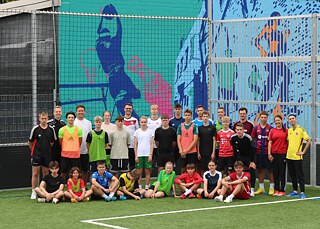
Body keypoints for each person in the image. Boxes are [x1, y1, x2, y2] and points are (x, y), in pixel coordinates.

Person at [96, 4, 140, 118]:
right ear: (109, 36)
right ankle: (132, 115)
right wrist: (117, 16)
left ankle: (131, 113)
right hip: (120, 74)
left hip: (113, 77)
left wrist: (102, 18)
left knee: (121, 98)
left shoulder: (98, 46)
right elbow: (119, 30)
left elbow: (98, 31)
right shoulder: (114, 43)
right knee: (134, 94)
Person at [29, 111, 56, 199]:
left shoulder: (51, 129)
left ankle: (43, 191)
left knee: (46, 174)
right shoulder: (35, 129)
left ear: (47, 119)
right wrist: (35, 152)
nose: (44, 120)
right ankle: (33, 191)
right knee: (35, 173)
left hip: (47, 156)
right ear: (39, 119)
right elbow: (30, 142)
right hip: (36, 155)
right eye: (42, 119)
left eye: (45, 119)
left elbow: (52, 142)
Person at [286, 114, 311, 199]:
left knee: (300, 175)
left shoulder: (301, 130)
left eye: (293, 118)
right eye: (290, 119)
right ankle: (295, 190)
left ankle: (302, 192)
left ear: (296, 119)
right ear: (288, 121)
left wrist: (303, 152)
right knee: (292, 174)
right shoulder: (289, 130)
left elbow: (308, 140)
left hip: (297, 157)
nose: (291, 120)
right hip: (289, 156)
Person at [251, 111, 274, 195]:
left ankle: (271, 187)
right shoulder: (255, 128)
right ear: (259, 118)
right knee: (260, 170)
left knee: (270, 170)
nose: (263, 119)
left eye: (265, 117)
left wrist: (270, 152)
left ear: (267, 118)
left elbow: (272, 141)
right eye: (262, 117)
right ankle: (261, 188)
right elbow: (253, 138)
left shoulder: (271, 128)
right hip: (258, 152)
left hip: (267, 152)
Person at [231, 123, 256, 196]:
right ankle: (236, 188)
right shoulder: (233, 137)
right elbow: (234, 150)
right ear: (235, 130)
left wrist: (252, 161)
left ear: (243, 130)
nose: (239, 131)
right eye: (237, 130)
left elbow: (252, 150)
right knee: (237, 170)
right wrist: (236, 160)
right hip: (240, 156)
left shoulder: (248, 138)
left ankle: (252, 189)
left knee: (252, 170)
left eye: (240, 130)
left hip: (249, 156)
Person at [59, 111, 82, 181]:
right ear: (66, 119)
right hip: (65, 155)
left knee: (76, 173)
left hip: (75, 155)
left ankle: (75, 189)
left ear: (74, 119)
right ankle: (61, 188)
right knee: (63, 173)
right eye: (69, 117)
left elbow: (79, 141)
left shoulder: (79, 129)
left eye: (72, 117)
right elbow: (60, 141)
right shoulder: (62, 130)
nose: (70, 119)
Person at [268, 115, 288, 196]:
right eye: (275, 121)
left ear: (282, 120)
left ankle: (282, 190)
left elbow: (288, 142)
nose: (277, 122)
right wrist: (269, 153)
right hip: (274, 154)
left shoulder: (286, 130)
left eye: (278, 120)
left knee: (282, 172)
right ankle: (276, 189)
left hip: (282, 154)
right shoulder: (272, 131)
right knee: (275, 172)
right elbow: (270, 142)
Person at [134, 116, 154, 189]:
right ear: (140, 123)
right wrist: (136, 156)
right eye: (142, 122)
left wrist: (150, 155)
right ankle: (139, 188)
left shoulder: (150, 132)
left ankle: (146, 187)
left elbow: (152, 144)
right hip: (139, 155)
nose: (143, 123)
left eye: (144, 122)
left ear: (147, 122)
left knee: (147, 172)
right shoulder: (137, 132)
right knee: (139, 173)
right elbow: (135, 144)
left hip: (147, 154)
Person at [74, 104, 92, 185]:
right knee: (76, 170)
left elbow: (90, 137)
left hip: (85, 151)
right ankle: (76, 186)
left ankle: (84, 186)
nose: (80, 112)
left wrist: (89, 149)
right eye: (79, 111)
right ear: (76, 112)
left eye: (82, 111)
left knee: (85, 170)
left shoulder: (88, 123)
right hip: (75, 151)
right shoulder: (73, 122)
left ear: (84, 112)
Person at [177, 109, 199, 174]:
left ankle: (191, 183)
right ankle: (183, 184)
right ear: (184, 116)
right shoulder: (180, 126)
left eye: (188, 115)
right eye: (186, 115)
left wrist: (187, 150)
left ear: (191, 116)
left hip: (192, 152)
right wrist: (181, 150)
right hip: (182, 151)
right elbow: (178, 139)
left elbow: (195, 140)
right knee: (183, 169)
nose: (187, 117)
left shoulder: (194, 126)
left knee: (192, 169)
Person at [197, 110, 216, 176]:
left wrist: (213, 152)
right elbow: (198, 140)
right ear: (202, 118)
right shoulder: (199, 128)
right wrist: (198, 152)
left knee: (210, 167)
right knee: (202, 168)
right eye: (204, 116)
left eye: (206, 116)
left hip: (210, 151)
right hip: (202, 152)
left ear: (208, 117)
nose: (205, 118)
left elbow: (214, 140)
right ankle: (203, 182)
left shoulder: (212, 128)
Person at [123, 103, 139, 170]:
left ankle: (132, 180)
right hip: (123, 146)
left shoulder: (135, 120)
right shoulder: (121, 120)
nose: (128, 110)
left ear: (132, 110)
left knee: (132, 165)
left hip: (132, 146)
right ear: (124, 109)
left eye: (130, 108)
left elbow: (138, 133)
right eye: (127, 108)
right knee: (124, 165)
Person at [169, 103, 185, 167]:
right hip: (173, 144)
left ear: (181, 110)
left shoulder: (184, 120)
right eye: (176, 109)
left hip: (182, 144)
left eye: (179, 109)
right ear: (174, 110)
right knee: (172, 162)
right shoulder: (171, 121)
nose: (177, 110)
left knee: (182, 163)